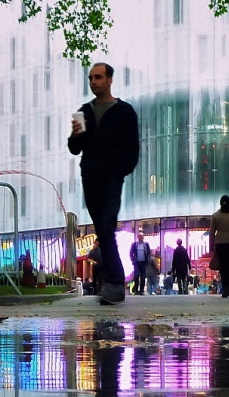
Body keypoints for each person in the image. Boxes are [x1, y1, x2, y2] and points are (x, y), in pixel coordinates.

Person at [68, 62, 141, 306]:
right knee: (101, 227)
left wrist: (120, 171)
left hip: (111, 177)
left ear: (110, 79)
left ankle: (114, 284)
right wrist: (76, 134)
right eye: (90, 78)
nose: (94, 82)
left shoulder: (124, 112)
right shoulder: (84, 111)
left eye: (98, 77)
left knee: (107, 226)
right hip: (90, 175)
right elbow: (74, 148)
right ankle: (112, 283)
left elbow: (133, 148)